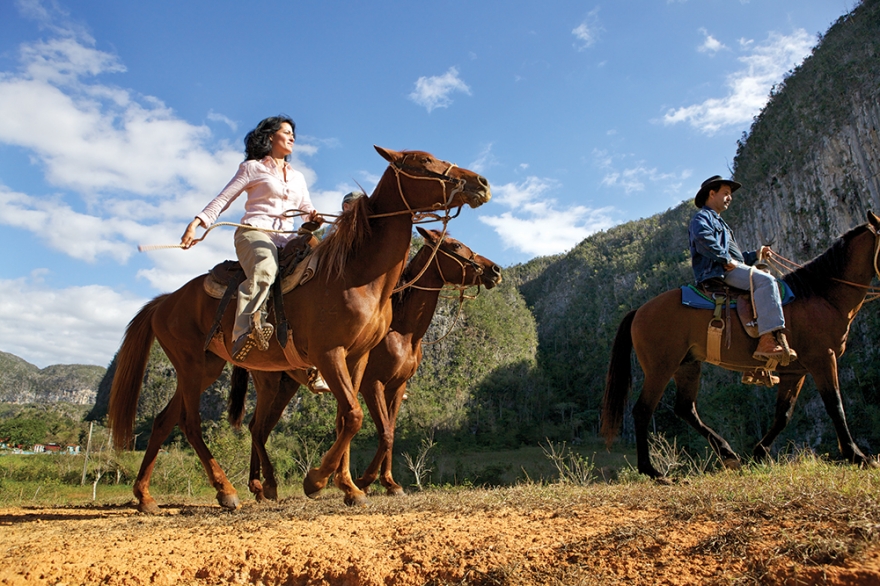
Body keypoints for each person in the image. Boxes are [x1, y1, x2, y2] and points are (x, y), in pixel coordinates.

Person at [181, 115, 322, 361]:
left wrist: (313, 218)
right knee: (266, 267)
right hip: (254, 233)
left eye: (293, 135)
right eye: (286, 132)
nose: (292, 137)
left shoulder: (298, 176)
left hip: (288, 240)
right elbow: (223, 199)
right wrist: (197, 224)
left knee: (322, 267)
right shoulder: (252, 168)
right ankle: (244, 331)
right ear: (270, 136)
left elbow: (306, 209)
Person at [688, 175, 796, 362]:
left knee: (765, 279)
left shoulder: (720, 223)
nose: (730, 197)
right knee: (766, 281)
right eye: (726, 193)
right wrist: (724, 258)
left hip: (728, 266)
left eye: (730, 194)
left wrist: (755, 254)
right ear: (712, 194)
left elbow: (736, 258)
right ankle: (767, 340)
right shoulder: (703, 217)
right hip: (718, 271)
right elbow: (702, 239)